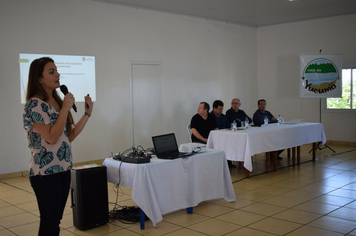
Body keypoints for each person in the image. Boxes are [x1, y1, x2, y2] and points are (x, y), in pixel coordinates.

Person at [23, 57, 93, 236]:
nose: (58, 74)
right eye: (51, 71)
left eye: (57, 70)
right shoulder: (34, 105)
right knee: (49, 222)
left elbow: (69, 136)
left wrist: (86, 114)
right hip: (44, 174)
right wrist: (65, 109)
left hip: (63, 169)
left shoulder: (57, 102)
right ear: (39, 78)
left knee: (55, 220)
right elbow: (52, 137)